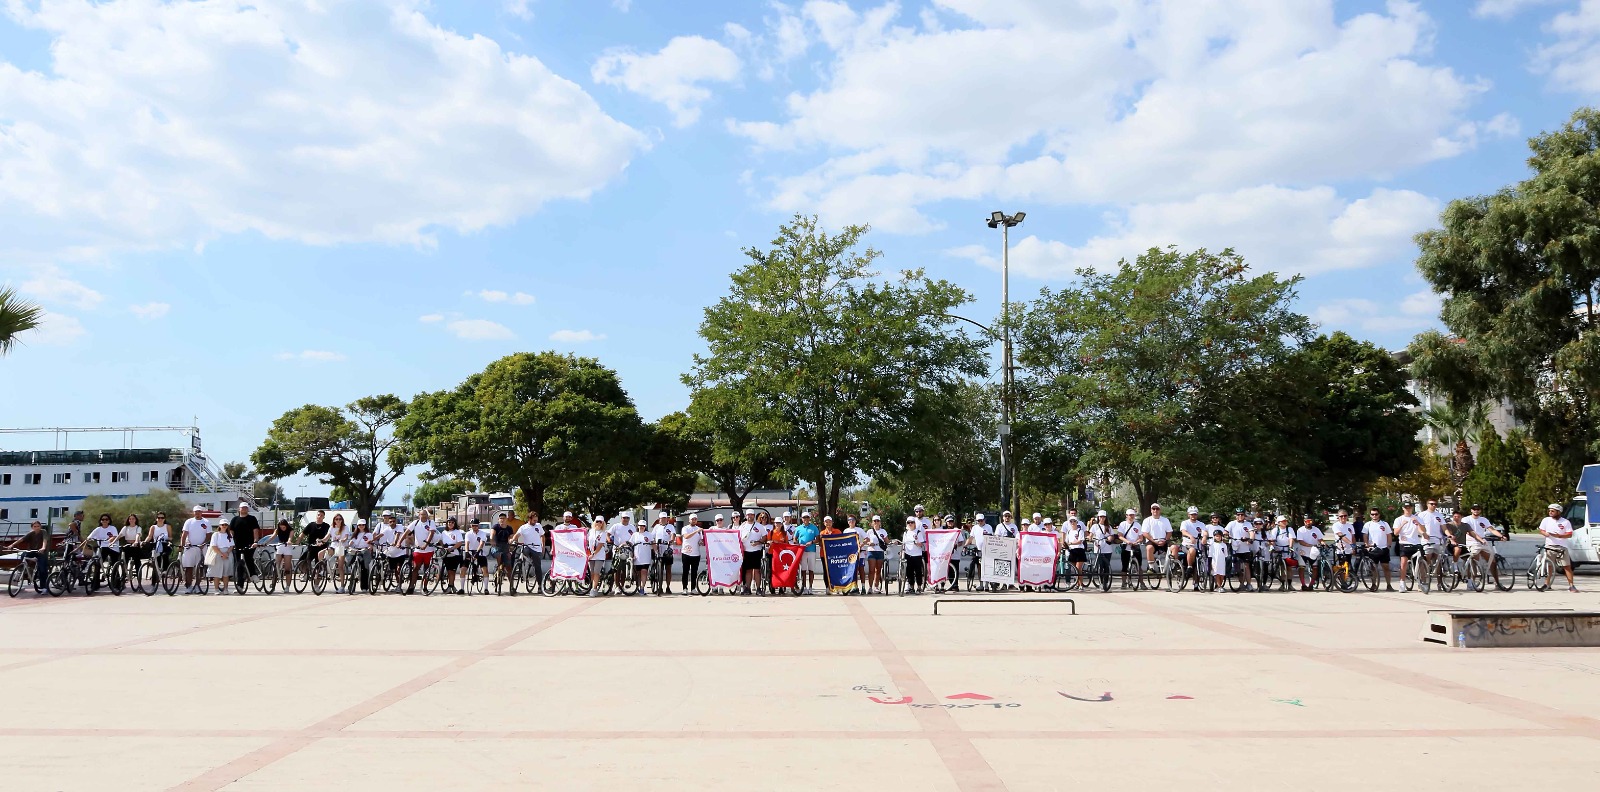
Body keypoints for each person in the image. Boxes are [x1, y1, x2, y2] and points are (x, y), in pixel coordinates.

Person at [1537, 503, 1579, 593]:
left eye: (1553, 511)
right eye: (1549, 510)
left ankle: (1571, 586)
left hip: (1562, 547)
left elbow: (1570, 534)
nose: (1550, 512)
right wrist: (1545, 533)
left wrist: (1560, 536)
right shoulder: (1546, 520)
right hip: (1549, 546)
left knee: (1567, 566)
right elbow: (1541, 529)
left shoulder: (1565, 522)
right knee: (1549, 567)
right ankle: (1547, 584)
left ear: (1558, 512)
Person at [6, 520, 51, 591]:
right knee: (23, 555)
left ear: (40, 526)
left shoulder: (43, 532)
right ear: (32, 527)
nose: (36, 528)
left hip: (41, 552)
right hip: (32, 551)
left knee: (42, 570)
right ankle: (23, 570)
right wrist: (12, 545)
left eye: (38, 526)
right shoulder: (31, 533)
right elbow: (21, 539)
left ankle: (44, 587)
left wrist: (43, 547)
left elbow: (44, 540)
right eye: (35, 526)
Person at [1393, 501, 1425, 592]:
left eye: (1409, 507)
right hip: (1404, 543)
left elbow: (1423, 530)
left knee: (1420, 563)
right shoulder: (1398, 519)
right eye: (1406, 507)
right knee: (1403, 563)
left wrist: (1418, 523)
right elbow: (1395, 533)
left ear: (1412, 508)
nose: (1408, 509)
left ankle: (1421, 582)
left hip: (1416, 543)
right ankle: (1402, 583)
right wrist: (1402, 524)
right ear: (1403, 508)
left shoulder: (1417, 518)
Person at [1362, 507, 1395, 591]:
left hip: (1383, 549)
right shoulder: (1367, 524)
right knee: (1373, 568)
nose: (1374, 516)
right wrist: (1367, 545)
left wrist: (1389, 546)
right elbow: (1365, 535)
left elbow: (1389, 535)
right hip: (1373, 549)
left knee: (1386, 567)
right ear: (1370, 515)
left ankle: (1389, 585)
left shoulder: (1384, 524)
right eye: (1372, 514)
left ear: (1379, 514)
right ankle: (1374, 584)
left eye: (1376, 514)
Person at [180, 506, 211, 593]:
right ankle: (188, 586)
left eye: (199, 511)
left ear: (201, 512)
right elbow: (184, 534)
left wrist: (203, 543)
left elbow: (208, 535)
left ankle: (197, 586)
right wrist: (182, 545)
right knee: (188, 568)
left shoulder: (206, 522)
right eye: (195, 512)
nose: (197, 513)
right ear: (193, 513)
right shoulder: (189, 522)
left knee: (199, 568)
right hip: (190, 547)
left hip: (201, 548)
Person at [232, 503, 261, 583]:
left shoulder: (252, 519)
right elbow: (231, 533)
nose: (244, 509)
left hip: (250, 543)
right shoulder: (234, 520)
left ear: (248, 509)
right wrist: (230, 543)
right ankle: (240, 584)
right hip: (237, 544)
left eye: (246, 507)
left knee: (248, 558)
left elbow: (255, 531)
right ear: (239, 509)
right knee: (239, 564)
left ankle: (253, 574)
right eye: (242, 507)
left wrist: (255, 542)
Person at [794, 512, 821, 593]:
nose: (805, 519)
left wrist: (812, 542)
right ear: (802, 519)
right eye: (804, 517)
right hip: (802, 551)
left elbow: (818, 539)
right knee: (803, 570)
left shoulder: (814, 527)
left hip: (811, 550)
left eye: (807, 517)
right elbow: (795, 539)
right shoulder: (798, 528)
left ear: (809, 518)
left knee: (811, 570)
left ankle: (810, 587)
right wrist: (798, 544)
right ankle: (804, 587)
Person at [1294, 515, 1323, 590]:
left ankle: (1311, 584)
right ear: (1304, 522)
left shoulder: (1316, 529)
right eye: (1306, 521)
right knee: (1302, 568)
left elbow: (1320, 539)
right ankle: (1303, 585)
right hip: (1303, 552)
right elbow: (1300, 541)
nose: (1308, 523)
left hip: (1313, 552)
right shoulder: (1300, 530)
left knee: (1315, 568)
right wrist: (1310, 545)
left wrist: (1322, 543)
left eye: (1310, 521)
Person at [1115, 508, 1142, 585]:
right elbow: (1120, 536)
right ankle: (1124, 582)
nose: (1131, 517)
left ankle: (1141, 582)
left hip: (1135, 545)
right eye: (1130, 515)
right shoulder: (1123, 524)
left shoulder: (1138, 525)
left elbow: (1141, 537)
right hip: (1126, 545)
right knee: (1124, 565)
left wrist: (1136, 542)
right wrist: (1127, 541)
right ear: (1126, 516)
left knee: (1139, 565)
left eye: (1132, 515)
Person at [206, 520, 234, 592]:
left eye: (225, 525)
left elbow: (231, 546)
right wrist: (221, 554)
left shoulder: (229, 535)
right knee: (217, 573)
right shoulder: (216, 534)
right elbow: (214, 546)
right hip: (218, 553)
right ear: (220, 526)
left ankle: (226, 589)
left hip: (227, 554)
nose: (224, 526)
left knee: (226, 573)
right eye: (222, 525)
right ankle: (216, 589)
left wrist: (227, 553)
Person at [651, 515, 677, 594]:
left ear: (667, 519)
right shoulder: (656, 527)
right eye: (662, 518)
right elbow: (652, 537)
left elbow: (673, 534)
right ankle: (660, 587)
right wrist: (653, 543)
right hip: (659, 551)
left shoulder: (670, 526)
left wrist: (671, 540)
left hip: (668, 550)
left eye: (665, 518)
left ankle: (668, 587)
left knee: (668, 569)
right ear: (659, 519)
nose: (663, 519)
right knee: (660, 570)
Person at [1142, 504, 1173, 569]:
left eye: (1157, 509)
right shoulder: (1147, 520)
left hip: (1164, 540)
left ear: (1160, 510)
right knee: (1149, 548)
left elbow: (1169, 531)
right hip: (1152, 541)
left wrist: (1165, 540)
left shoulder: (1165, 520)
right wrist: (1154, 541)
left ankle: (1173, 566)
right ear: (1151, 510)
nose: (1155, 510)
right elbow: (1145, 533)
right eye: (1153, 509)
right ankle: (1151, 567)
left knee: (1175, 547)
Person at [439, 517, 466, 591]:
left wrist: (452, 548)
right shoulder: (444, 532)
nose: (450, 524)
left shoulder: (457, 532)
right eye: (449, 522)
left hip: (454, 553)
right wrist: (443, 547)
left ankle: (450, 586)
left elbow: (460, 542)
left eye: (452, 522)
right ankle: (451, 585)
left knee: (452, 571)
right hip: (446, 553)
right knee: (448, 570)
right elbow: (440, 540)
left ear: (455, 524)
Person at [863, 515, 888, 591]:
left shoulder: (883, 531)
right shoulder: (869, 531)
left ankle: (876, 586)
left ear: (880, 522)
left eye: (877, 521)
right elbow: (866, 540)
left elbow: (887, 540)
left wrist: (893, 542)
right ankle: (870, 587)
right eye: (875, 521)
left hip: (880, 551)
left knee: (878, 570)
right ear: (872, 522)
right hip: (872, 551)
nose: (876, 522)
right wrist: (869, 542)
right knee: (871, 570)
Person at [679, 515, 703, 594]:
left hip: (696, 553)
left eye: (695, 519)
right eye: (692, 519)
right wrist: (696, 531)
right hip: (686, 553)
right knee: (685, 571)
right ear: (689, 520)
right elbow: (686, 536)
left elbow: (700, 540)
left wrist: (701, 542)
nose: (694, 520)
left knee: (694, 572)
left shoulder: (699, 530)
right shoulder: (685, 528)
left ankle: (693, 588)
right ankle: (684, 588)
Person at [902, 515, 926, 594]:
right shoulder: (905, 533)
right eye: (908, 522)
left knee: (918, 571)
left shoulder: (918, 532)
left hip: (917, 555)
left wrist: (917, 543)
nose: (910, 524)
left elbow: (921, 544)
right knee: (909, 571)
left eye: (912, 522)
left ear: (914, 523)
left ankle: (919, 587)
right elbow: (903, 543)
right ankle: (911, 587)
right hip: (908, 554)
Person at [586, 517, 609, 597]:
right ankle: (593, 585)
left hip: (599, 555)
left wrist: (594, 554)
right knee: (592, 572)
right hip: (591, 555)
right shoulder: (591, 531)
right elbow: (587, 541)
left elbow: (600, 545)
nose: (599, 523)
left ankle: (594, 588)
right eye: (597, 521)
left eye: (601, 522)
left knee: (596, 572)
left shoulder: (603, 533)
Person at [628, 524, 653, 595]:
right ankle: (638, 587)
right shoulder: (635, 535)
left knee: (644, 571)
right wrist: (623, 544)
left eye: (643, 525)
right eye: (640, 525)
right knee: (638, 574)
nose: (641, 527)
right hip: (637, 557)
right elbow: (630, 543)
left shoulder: (649, 534)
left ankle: (642, 588)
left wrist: (656, 551)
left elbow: (653, 543)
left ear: (645, 527)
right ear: (638, 526)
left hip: (646, 557)